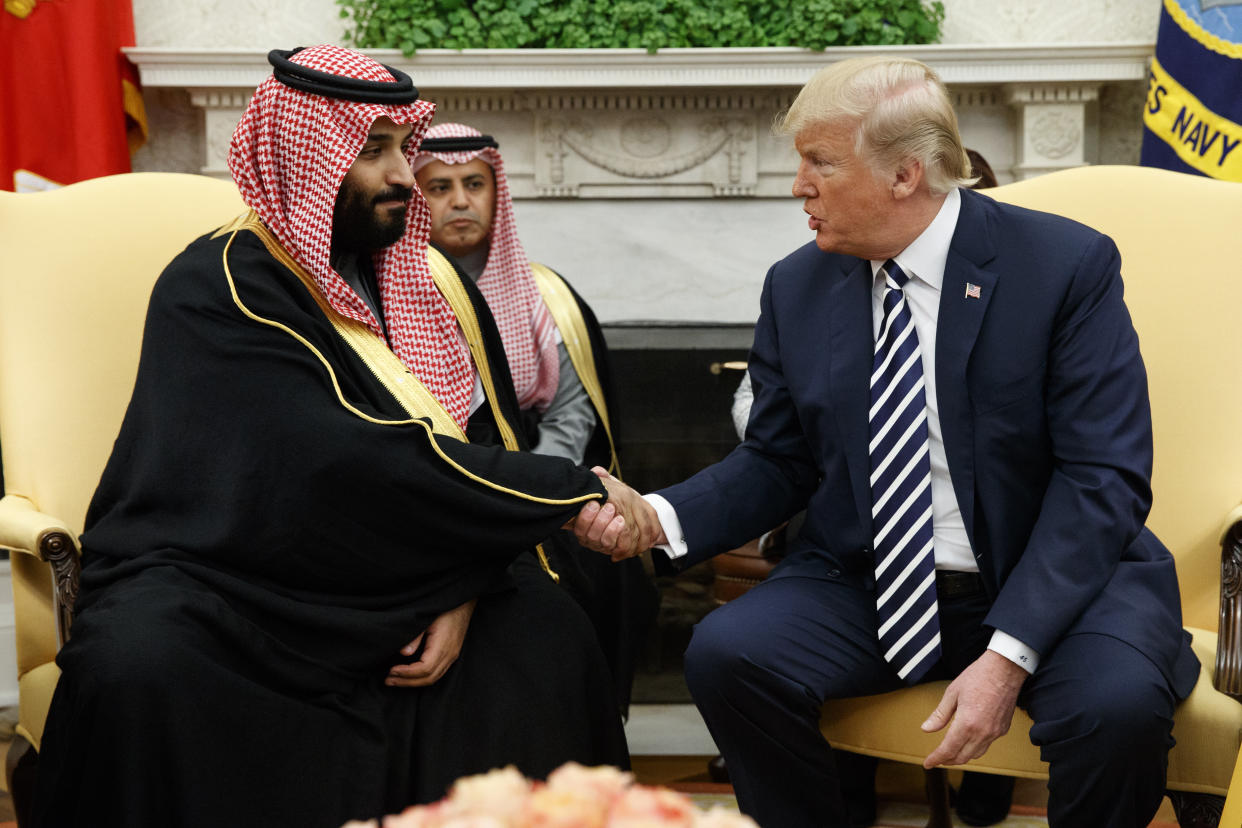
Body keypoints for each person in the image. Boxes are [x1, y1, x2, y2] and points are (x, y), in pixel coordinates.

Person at [573, 55, 1199, 828]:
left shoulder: (1065, 266)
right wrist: (656, 519)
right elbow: (778, 458)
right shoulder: (797, 285)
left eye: (819, 163)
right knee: (729, 655)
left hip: (1055, 579)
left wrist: (1008, 657)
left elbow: (1101, 478)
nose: (798, 185)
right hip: (872, 580)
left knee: (1117, 710)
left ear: (905, 175)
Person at [31, 45, 632, 828]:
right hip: (225, 578)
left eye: (401, 149)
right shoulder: (218, 287)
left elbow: (484, 441)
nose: (401, 178)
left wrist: (468, 581)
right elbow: (339, 460)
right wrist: (571, 489)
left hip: (399, 569)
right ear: (304, 161)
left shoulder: (420, 282)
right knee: (137, 667)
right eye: (372, 151)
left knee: (543, 639)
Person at [413, 124, 658, 713]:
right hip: (437, 480)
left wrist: (533, 489)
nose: (461, 200)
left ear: (498, 193)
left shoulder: (545, 293)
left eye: (474, 183)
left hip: (537, 476)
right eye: (439, 187)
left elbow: (572, 413)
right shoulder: (398, 289)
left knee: (610, 571)